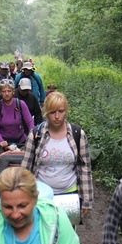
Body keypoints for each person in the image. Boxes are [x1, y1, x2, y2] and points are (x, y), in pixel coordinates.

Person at [21, 92, 93, 221]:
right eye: (52, 112)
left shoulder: (77, 134)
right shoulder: (36, 134)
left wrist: (86, 199)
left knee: (66, 236)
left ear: (66, 111)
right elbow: (25, 168)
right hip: (41, 194)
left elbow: (85, 168)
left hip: (69, 193)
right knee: (43, 235)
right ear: (46, 113)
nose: (57, 117)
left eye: (61, 111)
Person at [0, 79, 35, 151]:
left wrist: (32, 135)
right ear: (0, 93)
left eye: (9, 91)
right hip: (3, 142)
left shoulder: (21, 104)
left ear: (13, 92)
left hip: (20, 141)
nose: (7, 94)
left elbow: (29, 122)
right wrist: (0, 140)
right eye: (4, 91)